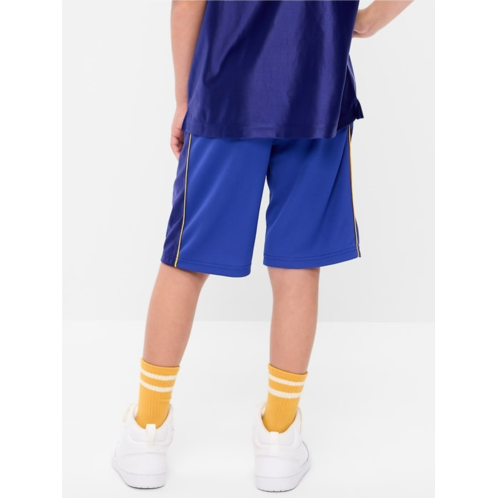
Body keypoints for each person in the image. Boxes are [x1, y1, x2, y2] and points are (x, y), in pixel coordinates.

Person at [112, 0, 414, 492]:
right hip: (318, 92)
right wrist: (365, 20)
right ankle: (278, 435)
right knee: (298, 265)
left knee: (186, 261)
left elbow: (187, 3)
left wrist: (183, 98)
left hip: (225, 92)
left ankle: (147, 428)